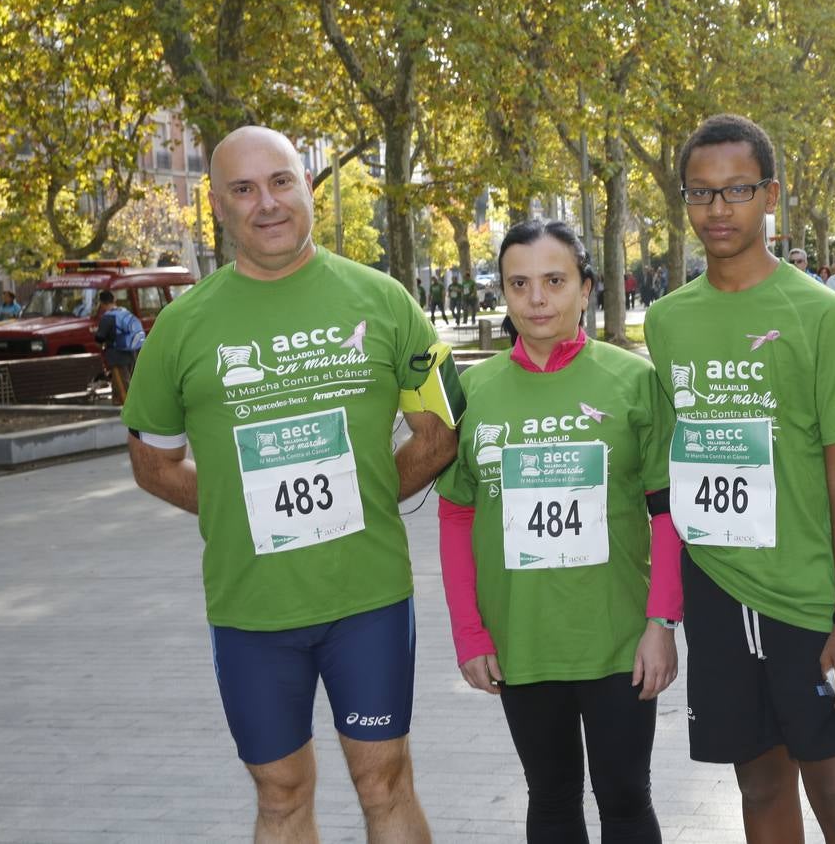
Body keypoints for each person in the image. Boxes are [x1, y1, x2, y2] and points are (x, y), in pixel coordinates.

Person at [121, 126, 459, 841]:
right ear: (216, 205)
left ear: (308, 186)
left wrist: (365, 494)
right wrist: (239, 510)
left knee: (385, 780)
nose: (265, 203)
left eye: (280, 182)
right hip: (252, 610)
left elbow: (440, 434)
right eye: (242, 189)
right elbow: (152, 463)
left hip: (367, 599)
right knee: (280, 795)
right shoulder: (181, 328)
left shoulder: (386, 299)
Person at [645, 114, 835, 843]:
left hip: (809, 598)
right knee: (757, 790)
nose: (718, 210)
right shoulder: (666, 320)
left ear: (770, 195)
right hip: (717, 590)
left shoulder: (820, 314)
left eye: (737, 190)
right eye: (701, 194)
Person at [436, 219, 681, 843]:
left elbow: (666, 510)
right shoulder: (473, 391)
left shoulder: (634, 381)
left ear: (586, 288)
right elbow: (456, 514)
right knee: (550, 798)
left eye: (554, 281)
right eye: (519, 284)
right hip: (522, 638)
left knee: (626, 797)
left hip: (619, 638)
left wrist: (661, 624)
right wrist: (469, 632)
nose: (536, 299)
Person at [93, 290, 142, 404]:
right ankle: (117, 402)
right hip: (131, 351)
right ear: (114, 300)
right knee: (121, 379)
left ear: (101, 303)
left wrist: (101, 345)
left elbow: (99, 339)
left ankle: (131, 405)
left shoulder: (107, 317)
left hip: (116, 354)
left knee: (123, 381)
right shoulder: (125, 312)